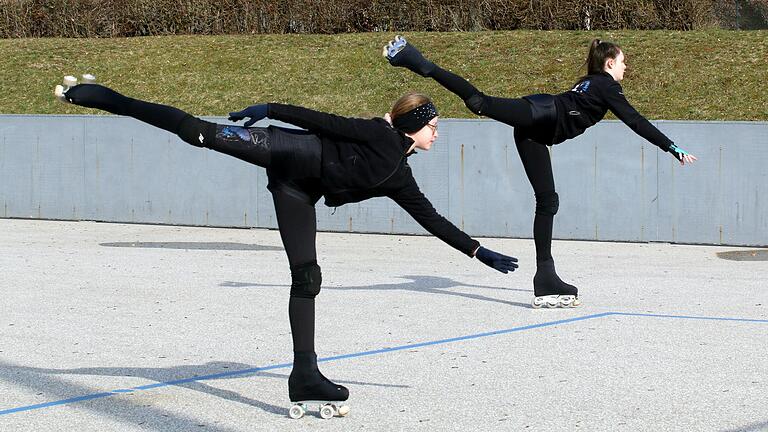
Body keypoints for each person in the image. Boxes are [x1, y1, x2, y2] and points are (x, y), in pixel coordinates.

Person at [53, 77, 519, 418]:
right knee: (199, 133)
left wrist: (477, 251)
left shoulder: (399, 174)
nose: (438, 132)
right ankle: (102, 97)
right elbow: (325, 122)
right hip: (279, 149)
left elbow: (430, 219)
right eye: (433, 125)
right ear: (413, 126)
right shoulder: (378, 134)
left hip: (296, 192)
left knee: (308, 278)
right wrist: (271, 107)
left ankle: (304, 377)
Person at [383, 36, 698, 309]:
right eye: (623, 62)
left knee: (548, 200)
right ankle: (416, 61)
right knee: (479, 102)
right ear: (610, 64)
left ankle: (545, 277)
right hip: (540, 115)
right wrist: (670, 147)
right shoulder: (605, 84)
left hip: (535, 131)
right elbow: (635, 120)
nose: (626, 68)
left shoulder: (592, 82)